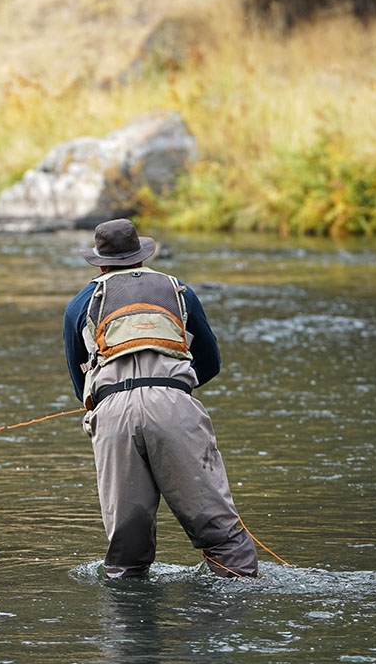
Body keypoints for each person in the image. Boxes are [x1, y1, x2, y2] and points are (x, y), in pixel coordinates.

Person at [63, 218, 258, 579]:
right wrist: (168, 389)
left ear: (101, 263)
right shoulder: (178, 291)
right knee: (219, 533)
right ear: (140, 257)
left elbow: (80, 385)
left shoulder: (81, 302)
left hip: (112, 413)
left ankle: (130, 626)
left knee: (126, 550)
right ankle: (239, 602)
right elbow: (211, 362)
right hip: (174, 403)